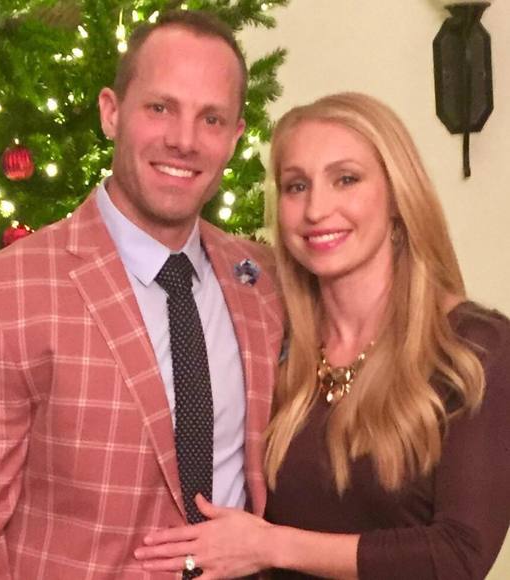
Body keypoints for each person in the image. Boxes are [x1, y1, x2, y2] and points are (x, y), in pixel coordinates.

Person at [0, 10, 284, 579]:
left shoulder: (261, 281)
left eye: (211, 118)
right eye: (160, 108)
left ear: (235, 137)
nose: (184, 140)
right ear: (111, 112)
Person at [134, 92, 510, 579]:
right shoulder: (271, 340)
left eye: (345, 179)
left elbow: (459, 556)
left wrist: (271, 545)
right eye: (296, 186)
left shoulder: (475, 348)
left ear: (398, 196)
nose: (316, 209)